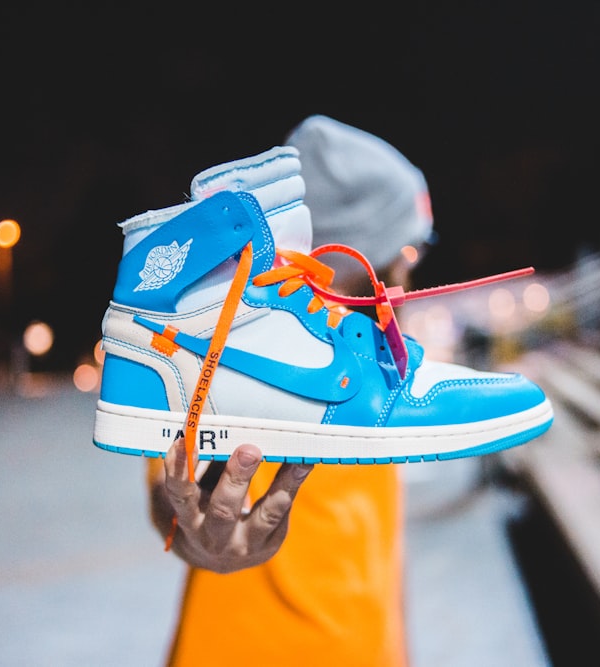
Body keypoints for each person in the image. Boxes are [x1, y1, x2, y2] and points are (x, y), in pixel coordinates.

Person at [145, 115, 437, 667]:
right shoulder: (235, 343)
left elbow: (379, 544)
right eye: (412, 251)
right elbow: (175, 491)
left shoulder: (371, 355)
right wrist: (199, 532)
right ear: (373, 253)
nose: (413, 275)